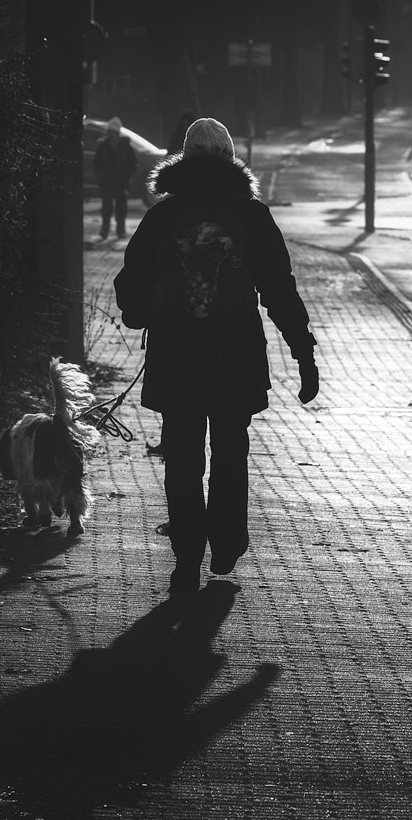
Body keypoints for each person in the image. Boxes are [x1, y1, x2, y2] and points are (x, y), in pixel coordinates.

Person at [114, 117, 319, 596]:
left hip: (176, 357)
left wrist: (150, 308)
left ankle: (187, 558)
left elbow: (128, 288)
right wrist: (303, 354)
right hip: (237, 355)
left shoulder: (162, 217)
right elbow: (279, 290)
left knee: (183, 457)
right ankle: (226, 545)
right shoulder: (251, 215)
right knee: (230, 451)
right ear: (230, 159)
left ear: (183, 158)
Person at [93, 117, 138, 238]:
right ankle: (105, 230)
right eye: (109, 132)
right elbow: (96, 163)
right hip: (107, 181)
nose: (111, 135)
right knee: (106, 209)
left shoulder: (126, 146)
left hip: (121, 182)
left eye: (113, 132)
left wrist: (128, 176)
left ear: (117, 133)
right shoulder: (103, 146)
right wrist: (101, 175)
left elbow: (133, 163)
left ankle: (120, 230)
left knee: (121, 209)